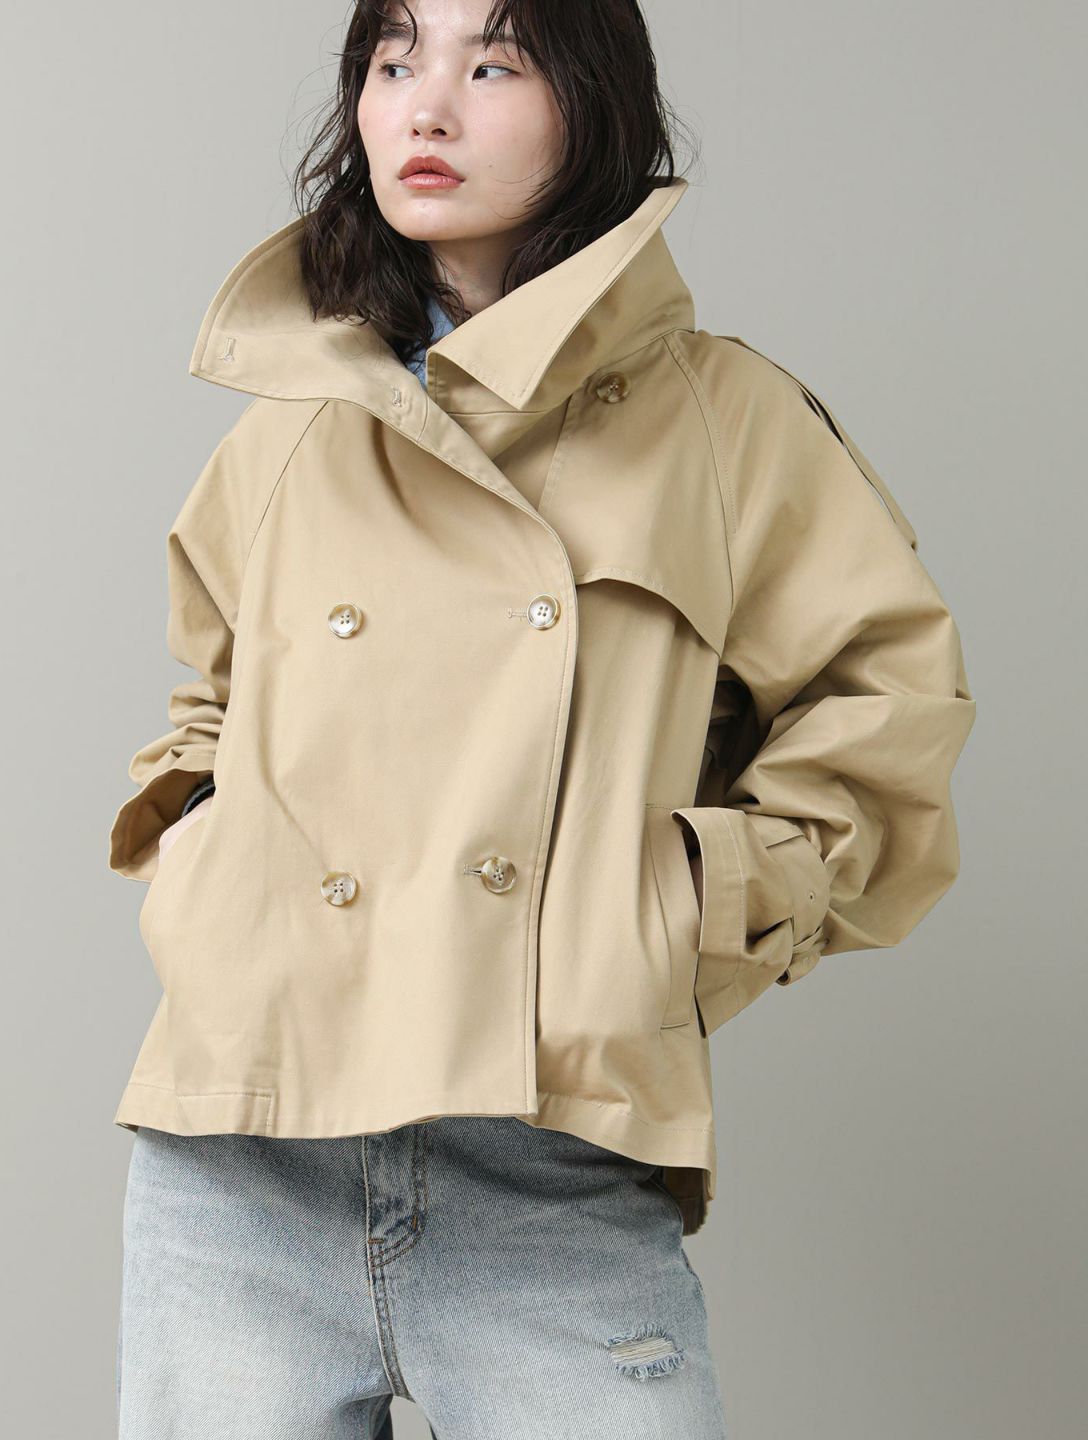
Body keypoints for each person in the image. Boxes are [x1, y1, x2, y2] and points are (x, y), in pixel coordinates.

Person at [109, 2, 976, 1435]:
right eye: (393, 61)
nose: (425, 106)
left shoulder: (728, 423)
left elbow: (888, 709)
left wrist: (676, 909)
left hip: (550, 1157)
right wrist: (211, 853)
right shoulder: (291, 426)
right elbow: (207, 700)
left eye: (493, 63)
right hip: (242, 1152)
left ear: (593, 103)